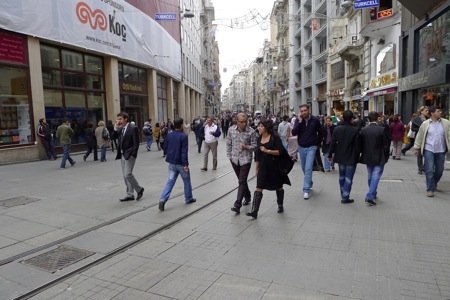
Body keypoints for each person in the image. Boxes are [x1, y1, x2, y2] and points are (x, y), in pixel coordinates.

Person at [246, 118, 291, 219]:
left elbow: (281, 152)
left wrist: (267, 151)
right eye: (259, 126)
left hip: (275, 166)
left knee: (278, 186)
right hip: (263, 166)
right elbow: (257, 154)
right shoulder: (259, 138)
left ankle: (280, 204)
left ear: (266, 127)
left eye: (261, 126)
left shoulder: (275, 137)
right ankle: (254, 211)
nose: (259, 128)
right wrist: (256, 167)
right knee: (259, 187)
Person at [158, 117, 196, 211]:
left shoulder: (170, 135)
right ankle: (188, 198)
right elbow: (184, 152)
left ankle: (162, 200)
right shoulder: (183, 136)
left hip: (171, 163)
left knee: (170, 182)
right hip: (181, 163)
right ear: (182, 125)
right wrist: (185, 164)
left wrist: (169, 154)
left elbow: (165, 147)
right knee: (186, 181)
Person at [413, 106, 450, 198]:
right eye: (438, 111)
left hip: (441, 150)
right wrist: (417, 148)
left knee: (439, 170)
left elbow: (449, 135)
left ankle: (433, 182)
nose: (440, 112)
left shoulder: (446, 123)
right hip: (429, 149)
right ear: (432, 113)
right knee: (429, 170)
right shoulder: (425, 124)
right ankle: (430, 189)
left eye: (441, 111)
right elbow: (420, 136)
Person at [227, 113, 258, 214]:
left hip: (246, 159)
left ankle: (237, 204)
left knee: (241, 180)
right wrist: (229, 156)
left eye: (246, 121)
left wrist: (247, 147)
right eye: (242, 122)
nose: (244, 124)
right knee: (242, 181)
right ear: (237, 121)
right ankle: (248, 196)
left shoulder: (252, 132)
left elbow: (255, 146)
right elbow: (228, 143)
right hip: (234, 159)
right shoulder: (231, 130)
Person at [328, 110, 360, 204]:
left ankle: (343, 193)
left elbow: (333, 143)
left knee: (342, 176)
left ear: (342, 118)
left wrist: (330, 154)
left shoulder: (337, 129)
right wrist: (358, 156)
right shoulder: (355, 130)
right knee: (348, 177)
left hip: (340, 156)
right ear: (351, 119)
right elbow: (357, 146)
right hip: (351, 156)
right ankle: (345, 196)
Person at [291, 104, 323, 200]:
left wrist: (317, 144)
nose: (304, 112)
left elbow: (321, 132)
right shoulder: (298, 120)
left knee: (308, 168)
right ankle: (309, 182)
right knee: (304, 168)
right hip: (301, 147)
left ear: (309, 110)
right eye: (302, 111)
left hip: (312, 147)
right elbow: (293, 133)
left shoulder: (315, 120)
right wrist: (299, 122)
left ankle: (306, 190)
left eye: (305, 110)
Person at [359, 111, 391, 206]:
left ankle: (372, 192)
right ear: (378, 119)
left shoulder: (364, 130)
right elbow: (386, 145)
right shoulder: (382, 129)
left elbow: (361, 144)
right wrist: (386, 156)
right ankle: (370, 196)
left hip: (368, 155)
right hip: (379, 155)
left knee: (370, 174)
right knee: (376, 175)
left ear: (368, 120)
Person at [113, 112, 144, 202]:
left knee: (128, 174)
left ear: (126, 119)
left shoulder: (132, 128)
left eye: (120, 119)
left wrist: (133, 154)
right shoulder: (120, 128)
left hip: (130, 154)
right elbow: (113, 137)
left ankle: (139, 189)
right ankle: (130, 194)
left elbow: (136, 143)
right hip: (122, 154)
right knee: (125, 176)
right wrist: (115, 127)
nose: (119, 121)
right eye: (118, 119)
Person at [411, 106, 430, 174]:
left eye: (428, 111)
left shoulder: (429, 119)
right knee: (419, 154)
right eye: (426, 110)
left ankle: (425, 167)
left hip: (428, 138)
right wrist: (421, 129)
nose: (427, 112)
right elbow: (413, 129)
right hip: (419, 138)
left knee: (427, 154)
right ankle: (420, 168)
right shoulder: (416, 119)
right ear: (421, 111)